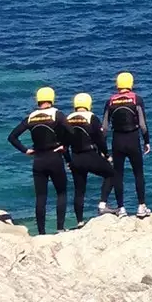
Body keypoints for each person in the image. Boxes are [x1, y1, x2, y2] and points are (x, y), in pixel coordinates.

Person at [8, 87, 70, 235]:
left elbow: (12, 137)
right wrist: (64, 146)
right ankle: (60, 228)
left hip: (39, 160)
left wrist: (26, 150)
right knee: (61, 193)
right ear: (52, 98)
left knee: (41, 197)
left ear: (38, 99)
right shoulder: (57, 114)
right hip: (54, 158)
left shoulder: (31, 117)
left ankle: (41, 233)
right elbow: (71, 131)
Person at [102, 71, 151, 217]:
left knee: (118, 174)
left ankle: (121, 208)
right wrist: (147, 141)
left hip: (117, 139)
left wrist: (103, 147)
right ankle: (141, 206)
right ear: (131, 83)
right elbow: (143, 124)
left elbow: (104, 127)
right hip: (133, 138)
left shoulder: (110, 101)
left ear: (117, 84)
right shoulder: (136, 99)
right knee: (138, 173)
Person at [65, 92, 113, 224]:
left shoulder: (67, 119)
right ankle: (102, 205)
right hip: (90, 155)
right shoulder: (91, 117)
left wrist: (68, 161)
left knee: (79, 190)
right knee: (111, 174)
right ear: (88, 104)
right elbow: (100, 139)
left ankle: (79, 221)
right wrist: (106, 155)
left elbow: (63, 145)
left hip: (75, 157)